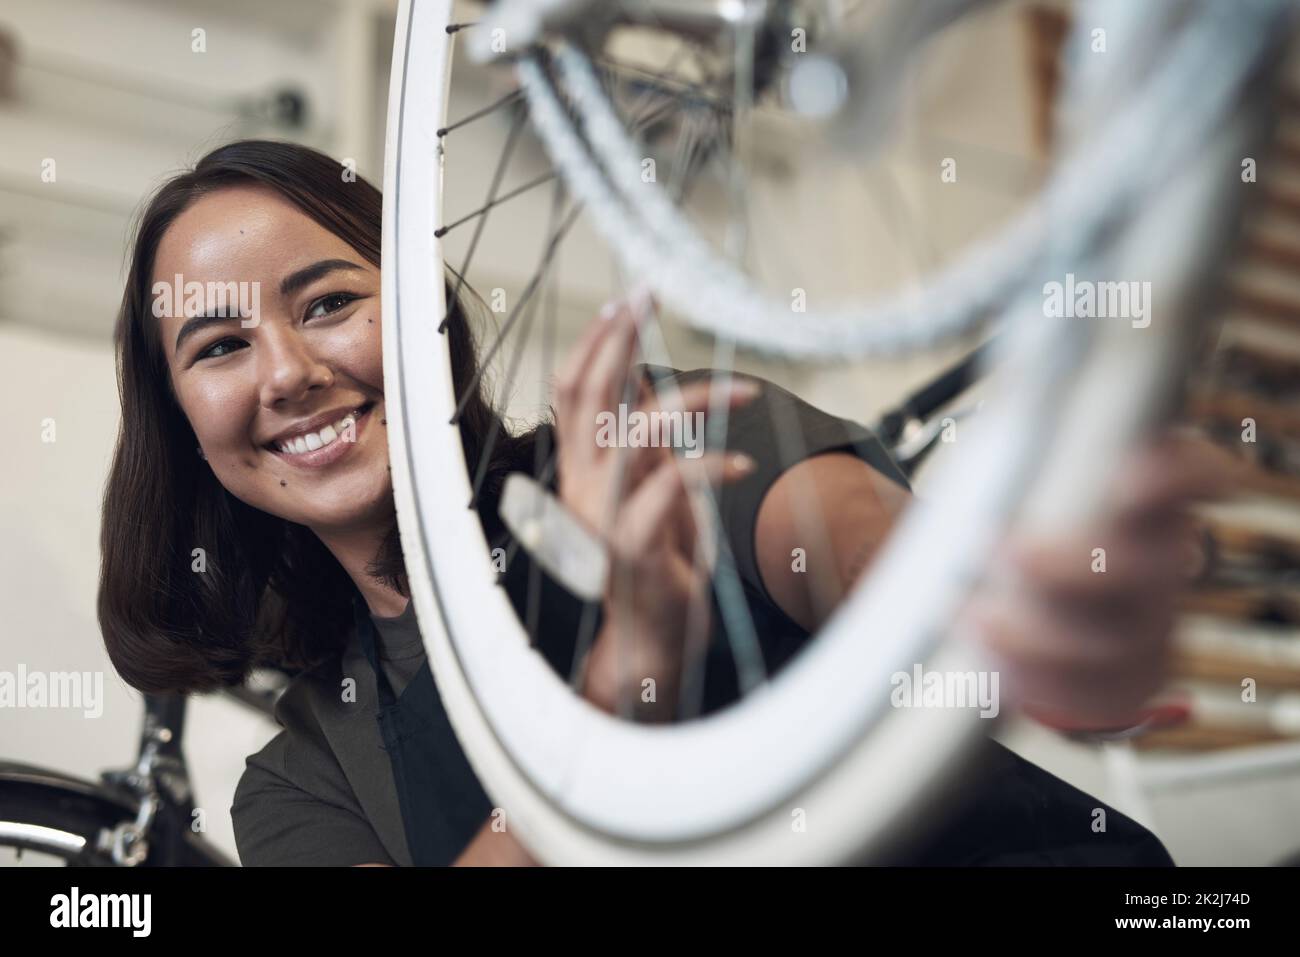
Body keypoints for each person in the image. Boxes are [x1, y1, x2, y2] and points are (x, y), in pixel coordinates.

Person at [98, 139, 1234, 866]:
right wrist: (622, 688)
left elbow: (859, 552)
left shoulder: (652, 437)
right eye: (220, 345)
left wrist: (1007, 612)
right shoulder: (303, 784)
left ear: (422, 312)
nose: (290, 371)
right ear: (185, 424)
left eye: (330, 299)